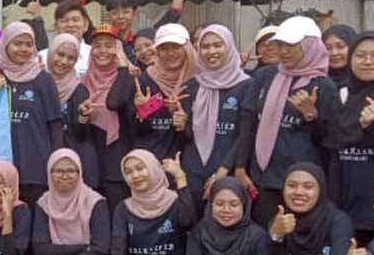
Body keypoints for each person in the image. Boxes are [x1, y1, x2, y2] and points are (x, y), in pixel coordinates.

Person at [235, 16, 337, 227]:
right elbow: (249, 124)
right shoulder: (265, 76)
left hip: (301, 184)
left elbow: (329, 139)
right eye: (280, 44)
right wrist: (240, 168)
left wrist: (311, 114)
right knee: (268, 238)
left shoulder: (323, 85)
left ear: (309, 46)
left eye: (291, 45)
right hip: (263, 179)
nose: (284, 51)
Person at [0, 21, 63, 209]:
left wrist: (56, 163)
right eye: (18, 43)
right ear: (6, 44)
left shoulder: (43, 79)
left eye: (28, 44)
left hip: (35, 166)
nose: (23, 49)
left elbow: (55, 126)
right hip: (0, 167)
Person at [327, 33, 374, 245]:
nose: (368, 61)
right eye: (361, 55)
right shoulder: (342, 95)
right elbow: (333, 152)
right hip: (346, 209)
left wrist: (372, 129)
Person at [183, 24, 251, 203]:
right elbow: (188, 134)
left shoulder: (247, 85)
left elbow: (246, 134)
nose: (211, 51)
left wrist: (222, 171)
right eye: (205, 47)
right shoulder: (192, 86)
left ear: (229, 46)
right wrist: (181, 124)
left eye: (217, 45)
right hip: (193, 171)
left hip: (228, 173)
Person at [111, 23, 194, 161]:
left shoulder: (199, 82)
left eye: (176, 47)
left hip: (189, 163)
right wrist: (144, 110)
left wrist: (185, 124)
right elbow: (135, 130)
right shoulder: (144, 81)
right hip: (153, 160)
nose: (171, 53)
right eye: (164, 48)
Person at [82, 26, 130, 209]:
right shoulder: (83, 81)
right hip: (91, 163)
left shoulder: (129, 78)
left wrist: (123, 68)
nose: (102, 51)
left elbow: (115, 102)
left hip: (117, 165)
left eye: (109, 46)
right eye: (97, 46)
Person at [46, 34, 98, 189]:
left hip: (76, 160)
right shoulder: (40, 84)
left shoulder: (79, 89)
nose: (64, 62)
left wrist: (83, 117)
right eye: (60, 54)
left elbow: (81, 135)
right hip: (47, 158)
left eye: (71, 58)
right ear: (51, 53)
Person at [37, 0, 93, 77]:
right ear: (56, 27)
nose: (70, 25)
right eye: (64, 21)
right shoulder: (42, 58)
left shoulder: (95, 56)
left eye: (75, 20)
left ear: (86, 25)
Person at [322, 24, 358, 90]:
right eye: (328, 48)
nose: (334, 53)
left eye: (340, 46)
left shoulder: (364, 80)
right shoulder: (318, 83)